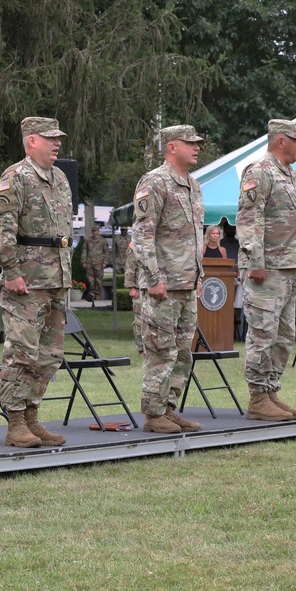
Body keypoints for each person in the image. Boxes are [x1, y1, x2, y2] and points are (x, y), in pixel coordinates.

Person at [0, 116, 73, 448]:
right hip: (26, 280)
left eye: (58, 138)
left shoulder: (61, 178)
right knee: (22, 352)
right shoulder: (16, 177)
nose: (57, 143)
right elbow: (2, 229)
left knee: (50, 354)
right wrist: (11, 273)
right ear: (31, 141)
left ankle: (32, 417)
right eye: (50, 138)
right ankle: (15, 423)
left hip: (56, 278)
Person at [131, 125, 205, 434]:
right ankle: (153, 413)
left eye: (198, 143)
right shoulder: (156, 182)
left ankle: (169, 408)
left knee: (183, 351)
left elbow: (194, 236)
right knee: (161, 351)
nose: (197, 147)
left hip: (186, 283)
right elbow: (143, 235)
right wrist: (153, 278)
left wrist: (199, 276)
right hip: (164, 285)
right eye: (190, 143)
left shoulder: (192, 184)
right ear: (171, 147)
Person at [236, 119, 296, 422]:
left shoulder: (291, 174)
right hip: (267, 269)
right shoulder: (259, 171)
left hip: (289, 268)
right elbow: (249, 218)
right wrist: (256, 263)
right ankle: (256, 398)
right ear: (281, 141)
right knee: (263, 333)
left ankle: (270, 391)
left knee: (284, 334)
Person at [123, 240, 144, 354]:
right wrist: (131, 287)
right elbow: (130, 267)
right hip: (139, 288)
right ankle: (141, 348)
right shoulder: (135, 244)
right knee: (140, 320)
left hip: (154, 287)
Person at [81, 226, 108, 302]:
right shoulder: (88, 241)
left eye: (96, 231)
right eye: (93, 231)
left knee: (99, 280)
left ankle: (98, 294)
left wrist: (105, 262)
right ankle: (92, 293)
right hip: (90, 263)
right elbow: (84, 251)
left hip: (99, 263)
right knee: (90, 279)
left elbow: (106, 253)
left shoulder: (103, 241)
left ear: (98, 231)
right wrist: (84, 261)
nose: (94, 232)